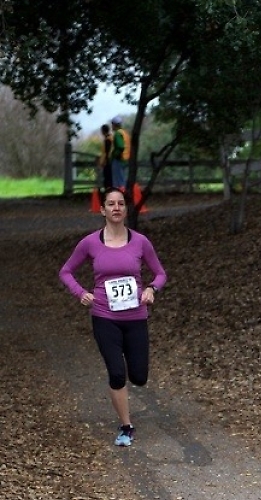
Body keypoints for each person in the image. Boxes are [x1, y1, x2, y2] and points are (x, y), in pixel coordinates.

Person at [59, 186, 167, 447]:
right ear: (102, 210)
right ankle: (126, 426)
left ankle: (129, 391)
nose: (116, 208)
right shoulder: (90, 243)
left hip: (136, 317)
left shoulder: (140, 242)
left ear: (126, 209)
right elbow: (66, 271)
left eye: (120, 204)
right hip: (104, 316)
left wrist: (151, 289)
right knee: (117, 374)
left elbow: (160, 274)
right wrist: (81, 293)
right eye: (111, 204)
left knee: (139, 377)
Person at [110, 116, 130, 189]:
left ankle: (119, 195)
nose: (111, 126)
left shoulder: (117, 134)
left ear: (114, 125)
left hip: (119, 159)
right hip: (126, 159)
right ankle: (123, 194)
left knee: (117, 182)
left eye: (112, 124)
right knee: (122, 180)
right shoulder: (124, 133)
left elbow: (121, 146)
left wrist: (114, 156)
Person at [99, 123, 113, 191]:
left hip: (108, 162)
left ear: (103, 131)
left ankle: (108, 193)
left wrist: (101, 162)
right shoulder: (111, 138)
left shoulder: (107, 140)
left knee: (107, 180)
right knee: (110, 179)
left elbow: (105, 153)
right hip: (111, 161)